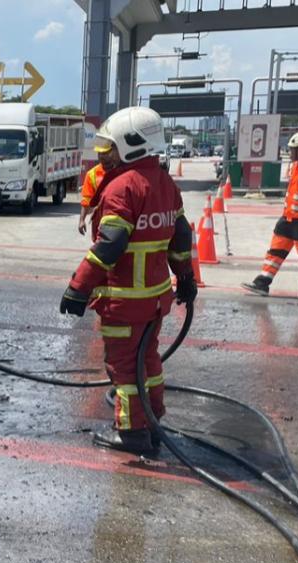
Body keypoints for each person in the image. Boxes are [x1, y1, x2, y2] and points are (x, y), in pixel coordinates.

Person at [59, 107, 198, 455]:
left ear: (131, 146)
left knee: (123, 367)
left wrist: (78, 287)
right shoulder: (165, 183)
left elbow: (110, 244)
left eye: (109, 150)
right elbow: (181, 235)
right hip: (154, 299)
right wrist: (186, 278)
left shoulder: (123, 188)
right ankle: (152, 421)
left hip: (124, 300)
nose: (103, 157)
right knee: (147, 362)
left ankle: (131, 433)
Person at [241, 130, 298, 308]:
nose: (289, 153)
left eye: (292, 149)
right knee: (275, 251)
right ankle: (262, 283)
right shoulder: (295, 167)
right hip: (288, 218)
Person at [78, 142, 114, 239]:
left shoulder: (122, 170)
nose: (102, 156)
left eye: (105, 153)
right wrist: (82, 220)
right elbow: (86, 200)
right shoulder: (92, 174)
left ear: (113, 152)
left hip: (118, 218)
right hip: (100, 221)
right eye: (100, 153)